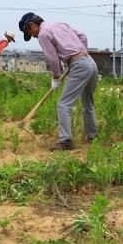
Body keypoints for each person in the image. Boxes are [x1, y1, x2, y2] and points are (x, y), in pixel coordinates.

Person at [18, 12, 98, 152]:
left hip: (80, 65)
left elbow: (53, 59)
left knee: (63, 105)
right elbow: (83, 36)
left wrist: (56, 76)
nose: (33, 36)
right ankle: (92, 137)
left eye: (30, 33)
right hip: (90, 62)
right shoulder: (60, 25)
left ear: (32, 25)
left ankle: (65, 142)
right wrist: (80, 55)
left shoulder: (43, 34)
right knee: (88, 103)